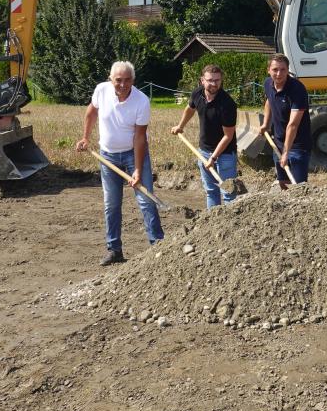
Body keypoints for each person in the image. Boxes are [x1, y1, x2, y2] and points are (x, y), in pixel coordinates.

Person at [75, 60, 163, 265]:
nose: (123, 85)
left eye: (127, 80)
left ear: (133, 80)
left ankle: (158, 246)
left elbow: (140, 138)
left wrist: (138, 170)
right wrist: (86, 138)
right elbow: (91, 112)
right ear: (110, 79)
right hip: (108, 156)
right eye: (118, 80)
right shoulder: (101, 91)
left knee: (146, 200)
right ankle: (114, 250)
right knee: (111, 203)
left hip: (134, 155)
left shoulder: (141, 101)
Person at [170, 63, 239, 209]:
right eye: (210, 80)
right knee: (211, 191)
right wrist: (180, 126)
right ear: (202, 80)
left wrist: (213, 158)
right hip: (204, 151)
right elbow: (190, 109)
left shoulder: (227, 104)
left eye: (217, 80)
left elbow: (228, 136)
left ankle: (231, 226)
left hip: (225, 154)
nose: (214, 83)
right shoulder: (197, 93)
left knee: (228, 192)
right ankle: (213, 225)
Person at [260, 54, 312, 188]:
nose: (279, 74)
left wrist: (286, 153)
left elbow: (293, 125)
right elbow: (269, 101)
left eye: (283, 70)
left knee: (298, 186)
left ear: (288, 70)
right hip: (278, 143)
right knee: (283, 182)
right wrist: (266, 124)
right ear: (268, 70)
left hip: (297, 146)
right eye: (275, 69)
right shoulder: (268, 83)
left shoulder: (297, 89)